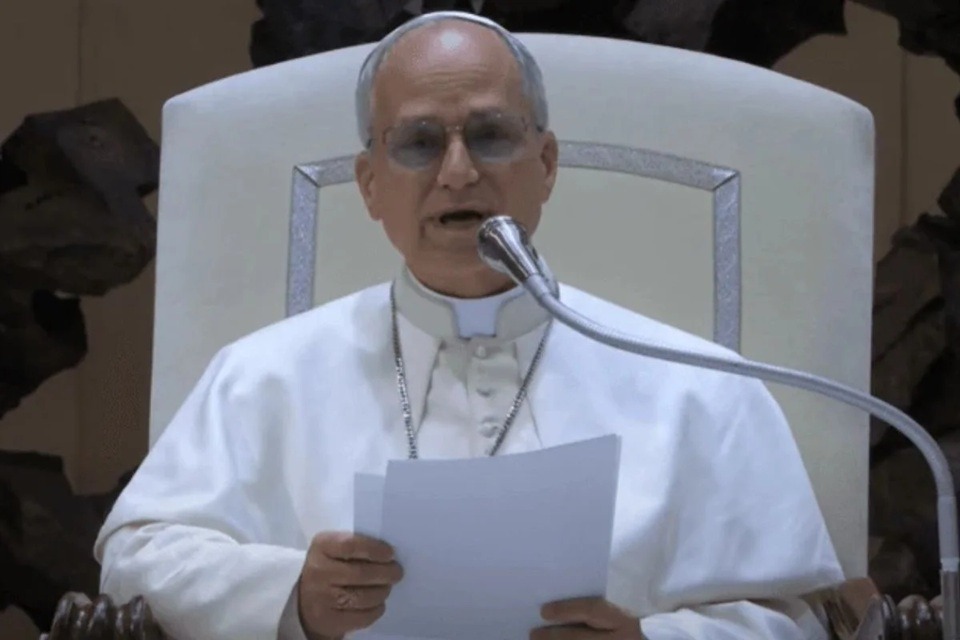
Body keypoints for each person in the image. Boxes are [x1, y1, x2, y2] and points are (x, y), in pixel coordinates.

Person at [94, 10, 845, 640]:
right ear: (370, 184)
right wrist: (291, 595)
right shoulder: (262, 376)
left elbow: (796, 617)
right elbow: (136, 558)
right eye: (419, 143)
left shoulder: (699, 386)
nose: (458, 172)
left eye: (490, 136)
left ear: (546, 164)